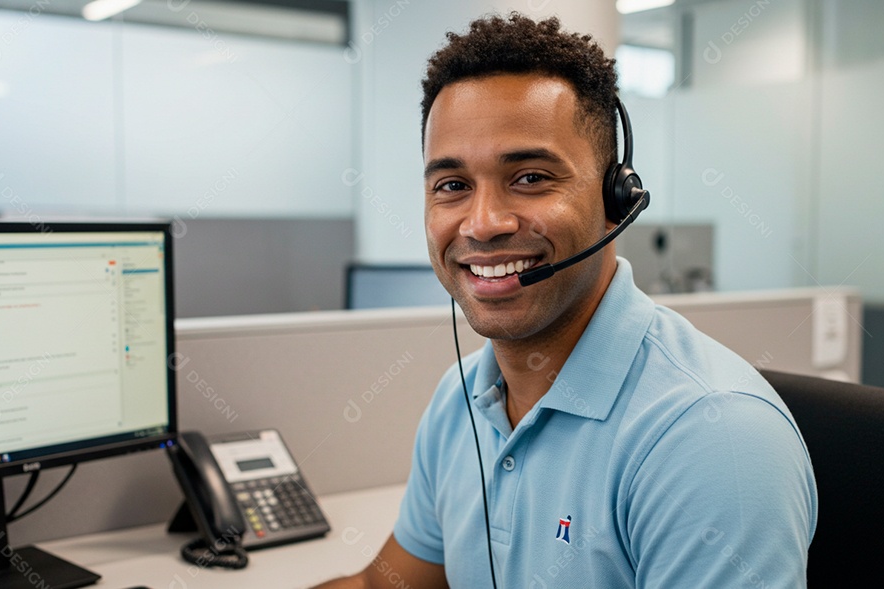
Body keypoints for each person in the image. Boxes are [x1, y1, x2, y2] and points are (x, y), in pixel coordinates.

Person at [316, 13, 817, 589]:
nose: (482, 224)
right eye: (452, 186)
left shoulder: (712, 439)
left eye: (530, 177)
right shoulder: (461, 402)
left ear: (616, 200)